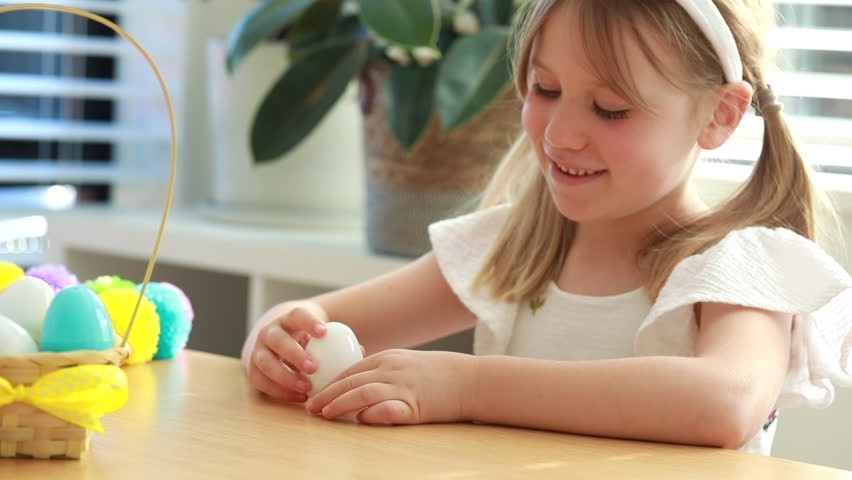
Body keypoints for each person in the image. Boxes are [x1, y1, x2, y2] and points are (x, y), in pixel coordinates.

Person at [241, 0, 852, 455]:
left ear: (720, 115)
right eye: (546, 88)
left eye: (611, 108)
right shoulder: (512, 248)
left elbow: (724, 402)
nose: (561, 133)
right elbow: (314, 318)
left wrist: (469, 387)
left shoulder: (743, 267)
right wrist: (276, 344)